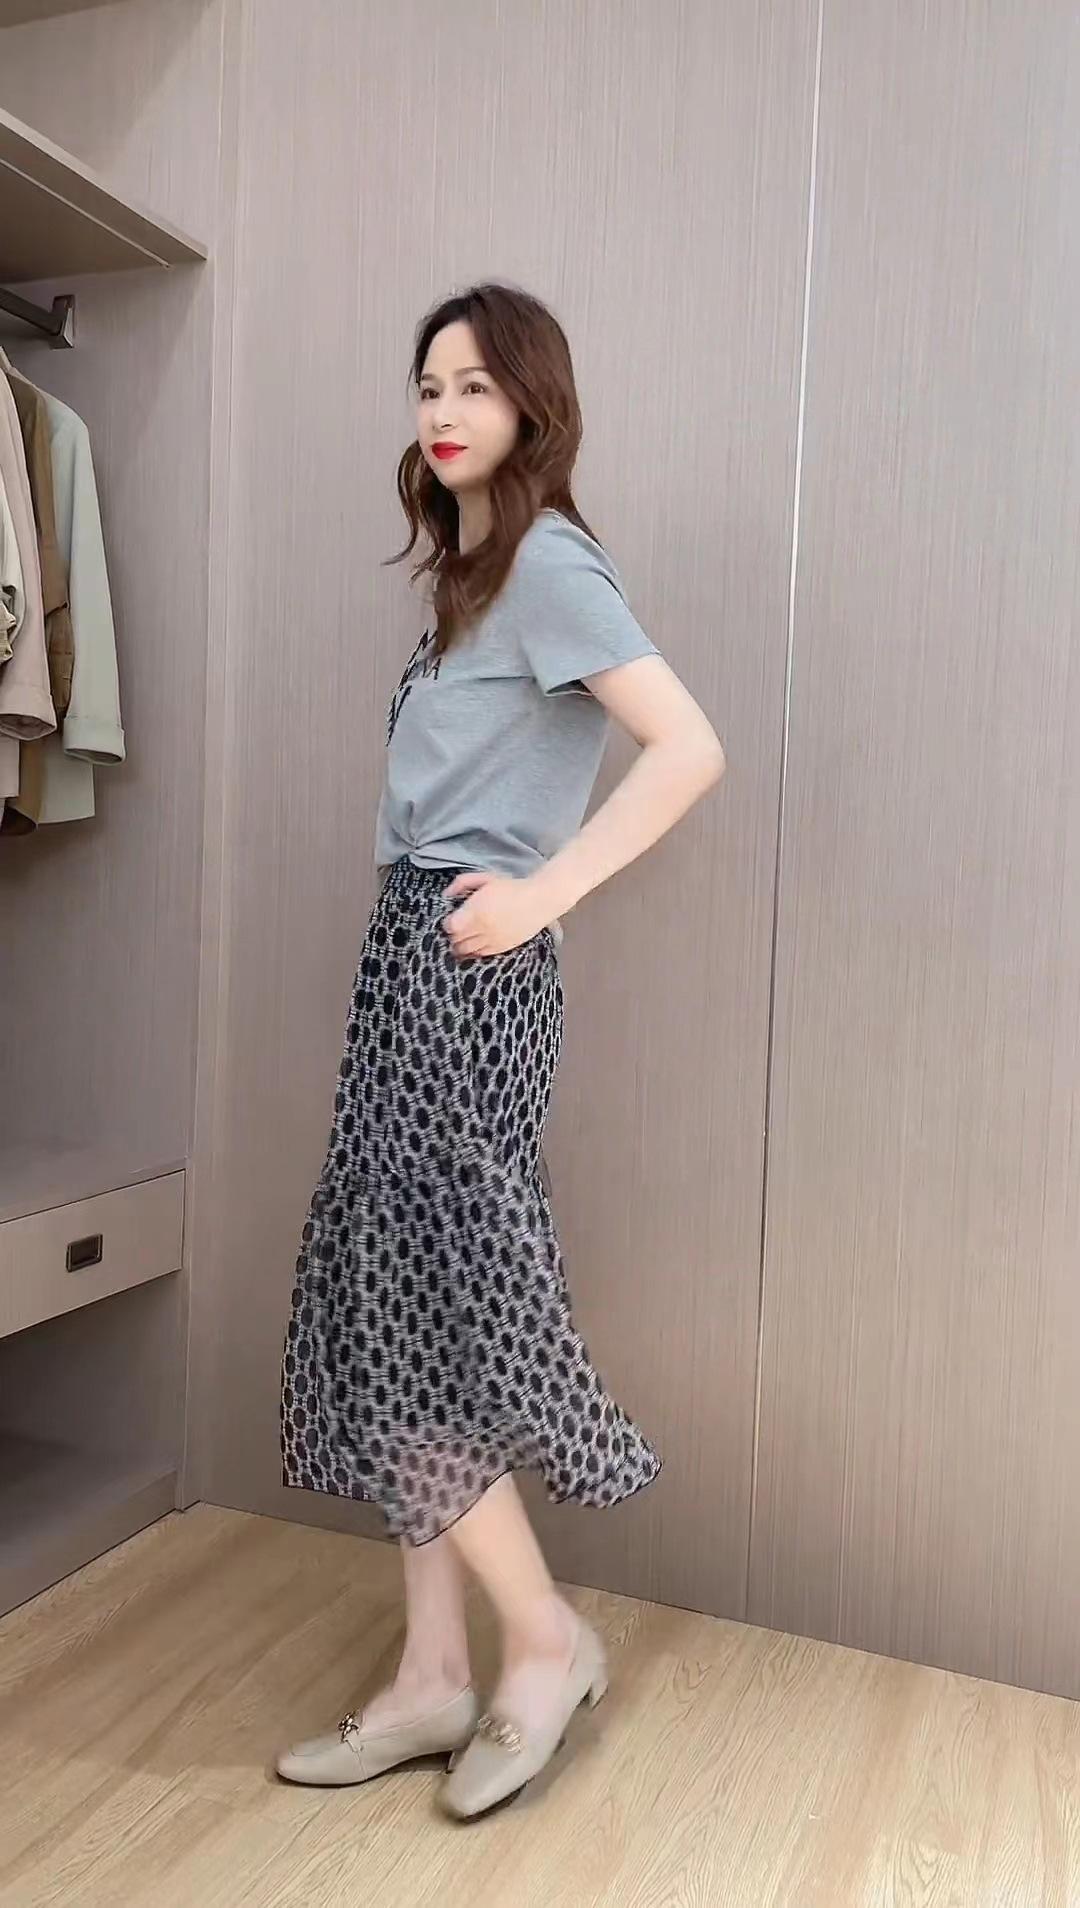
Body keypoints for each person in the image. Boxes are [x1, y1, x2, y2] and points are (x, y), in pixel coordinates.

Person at [276, 283, 724, 1820]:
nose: (445, 409)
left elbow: (689, 746)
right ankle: (430, 1673)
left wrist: (543, 895)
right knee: (398, 1298)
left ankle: (542, 1640)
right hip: (406, 959)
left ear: (533, 403)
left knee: (425, 1295)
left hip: (467, 979)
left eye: (475, 383)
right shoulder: (469, 584)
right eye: (427, 386)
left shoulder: (549, 565)